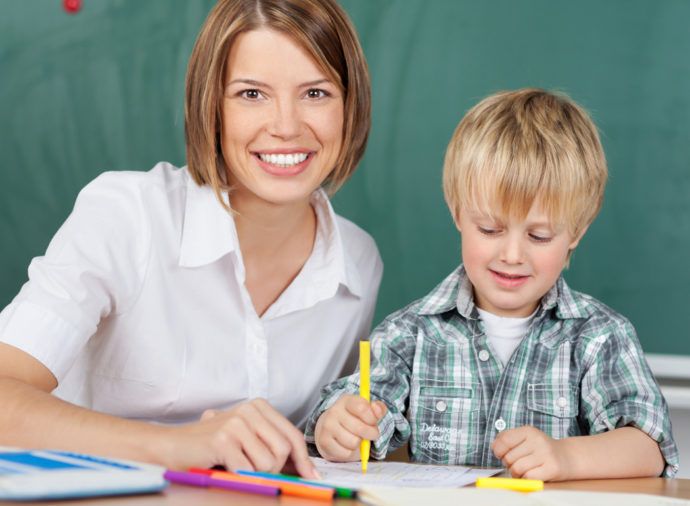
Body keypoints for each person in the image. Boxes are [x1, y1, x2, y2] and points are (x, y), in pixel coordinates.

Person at [0, 0, 382, 478]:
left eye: (316, 93)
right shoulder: (127, 216)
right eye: (251, 94)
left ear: (351, 106)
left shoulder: (357, 263)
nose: (286, 126)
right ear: (211, 107)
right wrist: (178, 445)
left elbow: (322, 436)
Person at [306, 88, 679, 480]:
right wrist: (340, 428)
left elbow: (648, 446)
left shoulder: (600, 337)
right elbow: (352, 417)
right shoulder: (409, 335)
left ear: (576, 231)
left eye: (539, 236)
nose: (512, 254)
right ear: (457, 214)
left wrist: (566, 458)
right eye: (490, 229)